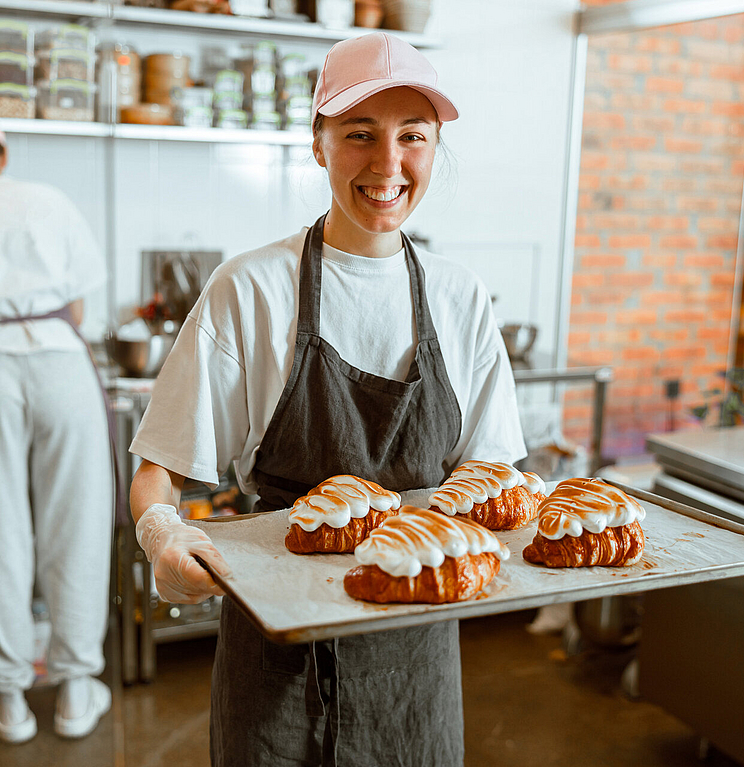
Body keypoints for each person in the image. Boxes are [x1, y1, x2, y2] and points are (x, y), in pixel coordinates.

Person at [129, 31, 527, 766]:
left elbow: (490, 479)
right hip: (276, 652)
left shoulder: (460, 297)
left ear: (435, 148)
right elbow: (158, 472)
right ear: (318, 145)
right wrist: (165, 537)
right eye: (358, 135)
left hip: (417, 653)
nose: (387, 164)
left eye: (413, 136)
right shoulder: (246, 290)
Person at [0, 130, 113, 743]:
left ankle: (9, 700)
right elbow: (75, 312)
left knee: (1, 530)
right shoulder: (45, 200)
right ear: (5, 153)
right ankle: (74, 691)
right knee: (76, 521)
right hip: (57, 362)